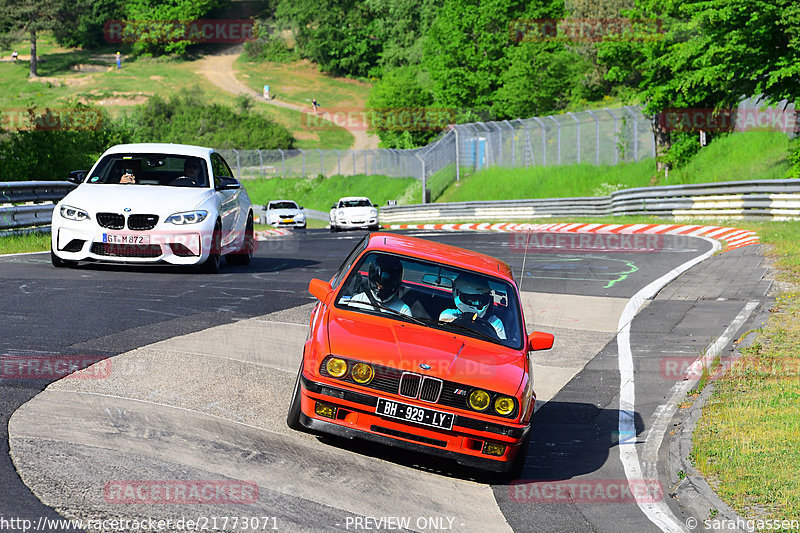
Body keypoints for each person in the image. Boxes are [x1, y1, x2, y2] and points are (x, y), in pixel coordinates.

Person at [439, 273, 506, 340]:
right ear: (457, 294)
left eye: (482, 299)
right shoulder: (450, 314)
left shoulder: (495, 322)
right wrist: (461, 320)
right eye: (472, 299)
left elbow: (501, 344)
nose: (477, 303)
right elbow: (442, 325)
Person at [346, 255, 411, 316]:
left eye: (384, 286)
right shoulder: (357, 301)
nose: (379, 288)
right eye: (378, 284)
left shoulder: (404, 311)